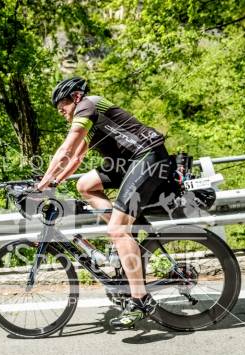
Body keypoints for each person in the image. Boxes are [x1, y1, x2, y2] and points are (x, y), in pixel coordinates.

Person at [37, 77, 170, 328]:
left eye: (62, 106)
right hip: (127, 163)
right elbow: (76, 158)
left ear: (75, 97)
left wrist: (42, 183)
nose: (61, 112)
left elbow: (66, 148)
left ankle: (140, 300)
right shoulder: (90, 120)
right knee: (84, 185)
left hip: (148, 157)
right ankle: (123, 233)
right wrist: (55, 181)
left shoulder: (89, 105)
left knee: (116, 229)